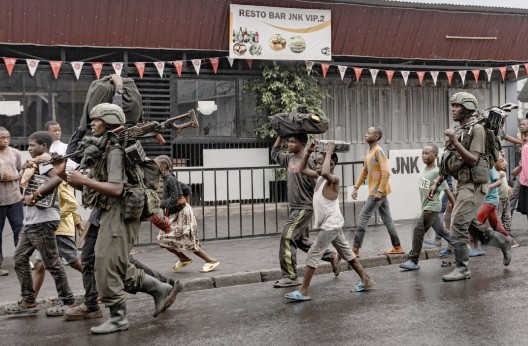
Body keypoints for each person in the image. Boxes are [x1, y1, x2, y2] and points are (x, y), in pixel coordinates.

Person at [61, 103, 182, 334]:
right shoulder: (104, 146)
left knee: (107, 263)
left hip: (120, 210)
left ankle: (119, 317)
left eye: (96, 120)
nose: (92, 124)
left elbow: (117, 188)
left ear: (108, 122)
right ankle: (159, 288)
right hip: (109, 211)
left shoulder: (115, 149)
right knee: (107, 262)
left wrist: (84, 181)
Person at [429, 92, 511, 282]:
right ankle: (503, 242)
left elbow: (473, 159)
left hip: (475, 185)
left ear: (467, 109)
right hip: (463, 184)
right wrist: (436, 182)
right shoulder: (458, 130)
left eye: (457, 106)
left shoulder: (477, 130)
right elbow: (449, 162)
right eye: (453, 106)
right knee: (473, 226)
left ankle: (462, 269)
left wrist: (455, 142)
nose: (453, 110)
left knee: (457, 223)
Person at [284, 141, 374, 301]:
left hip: (331, 225)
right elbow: (303, 169)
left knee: (313, 253)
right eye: (317, 163)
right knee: (347, 253)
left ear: (331, 165)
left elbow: (325, 172)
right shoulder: (319, 178)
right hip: (332, 224)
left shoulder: (333, 179)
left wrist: (329, 151)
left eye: (321, 163)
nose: (317, 166)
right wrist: (308, 152)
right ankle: (366, 279)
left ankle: (303, 291)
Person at [6, 131, 76, 316]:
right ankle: (29, 301)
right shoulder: (35, 164)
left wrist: (35, 196)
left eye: (32, 145)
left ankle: (68, 300)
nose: (29, 148)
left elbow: (57, 179)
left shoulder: (45, 162)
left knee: (52, 262)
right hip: (31, 222)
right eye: (28, 145)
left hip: (43, 221)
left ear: (44, 146)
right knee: (20, 259)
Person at [271, 134, 339, 288]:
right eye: (288, 141)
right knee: (300, 241)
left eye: (293, 142)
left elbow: (319, 181)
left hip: (304, 206)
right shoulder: (289, 159)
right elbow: (275, 153)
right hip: (294, 206)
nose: (289, 144)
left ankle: (290, 276)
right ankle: (331, 255)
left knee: (287, 237)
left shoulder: (309, 160)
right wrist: (280, 136)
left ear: (302, 143)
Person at [154, 155, 220, 273]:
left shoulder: (170, 179)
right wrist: (185, 206)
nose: (152, 168)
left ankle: (211, 260)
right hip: (179, 213)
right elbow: (187, 189)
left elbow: (176, 197)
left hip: (181, 215)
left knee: (187, 241)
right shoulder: (169, 179)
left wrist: (160, 204)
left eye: (155, 165)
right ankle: (183, 258)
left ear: (163, 166)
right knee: (163, 240)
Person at [351, 127, 405, 257]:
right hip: (378, 191)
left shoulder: (378, 151)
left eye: (369, 133)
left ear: (376, 137)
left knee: (363, 217)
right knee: (388, 219)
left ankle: (355, 249)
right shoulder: (369, 151)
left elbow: (386, 172)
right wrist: (356, 187)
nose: (365, 134)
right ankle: (397, 246)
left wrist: (379, 191)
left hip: (377, 192)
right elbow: (364, 171)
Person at [400, 144, 455, 270]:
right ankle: (461, 246)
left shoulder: (437, 172)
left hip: (431, 208)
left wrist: (453, 204)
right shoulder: (425, 169)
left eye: (427, 153)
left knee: (418, 231)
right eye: (423, 153)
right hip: (427, 207)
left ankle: (413, 260)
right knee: (441, 231)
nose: (424, 155)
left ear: (435, 155)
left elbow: (447, 190)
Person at [0, 127, 23, 276]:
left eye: (7, 137)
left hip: (15, 199)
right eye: (2, 138)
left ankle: (22, 260)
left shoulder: (16, 153)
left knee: (20, 230)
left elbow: (23, 172)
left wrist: (14, 177)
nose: (6, 140)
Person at [495, 155, 517, 247]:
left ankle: (507, 231)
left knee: (507, 217)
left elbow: (505, 184)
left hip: (506, 199)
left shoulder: (502, 172)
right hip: (499, 200)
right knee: (499, 218)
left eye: (504, 161)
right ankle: (501, 234)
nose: (504, 163)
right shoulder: (495, 173)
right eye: (501, 161)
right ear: (494, 164)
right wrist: (498, 175)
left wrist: (509, 188)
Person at [515, 119, 528, 225]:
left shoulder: (526, 145)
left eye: (524, 124)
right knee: (513, 195)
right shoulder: (522, 138)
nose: (521, 126)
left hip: (525, 176)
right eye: (520, 124)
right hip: (522, 173)